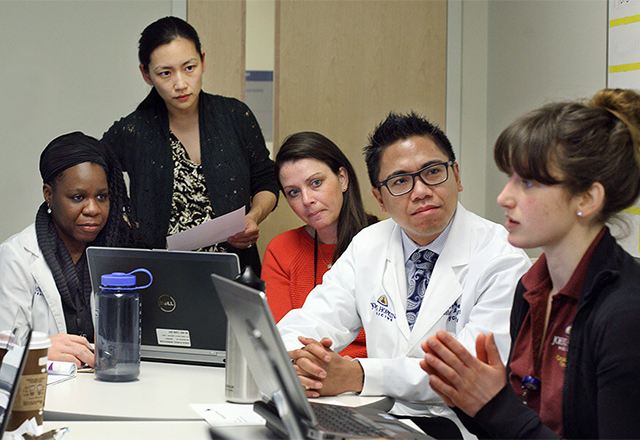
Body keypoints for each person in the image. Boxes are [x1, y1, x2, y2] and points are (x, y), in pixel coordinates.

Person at [276, 112, 531, 438]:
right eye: (400, 181)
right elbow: (313, 318)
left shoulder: (503, 259)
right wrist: (302, 360)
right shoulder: (368, 244)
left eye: (433, 172)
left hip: (464, 428)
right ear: (380, 199)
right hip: (380, 419)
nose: (421, 190)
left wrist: (359, 375)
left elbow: (465, 375)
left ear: (456, 175)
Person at [420, 88, 640, 439]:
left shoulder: (625, 314)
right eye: (510, 178)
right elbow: (521, 420)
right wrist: (468, 398)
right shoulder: (531, 286)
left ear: (587, 198)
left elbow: (516, 423)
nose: (504, 197)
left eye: (527, 182)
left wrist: (494, 406)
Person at [102, 16, 278, 274]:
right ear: (146, 74)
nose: (181, 84)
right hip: (162, 275)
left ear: (203, 61)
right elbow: (94, 175)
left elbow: (266, 180)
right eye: (165, 73)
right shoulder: (134, 130)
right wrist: (127, 224)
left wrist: (254, 216)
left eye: (189, 68)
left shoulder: (235, 116)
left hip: (234, 268)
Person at [0, 132, 139, 367]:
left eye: (102, 197)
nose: (93, 209)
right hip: (44, 391)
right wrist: (39, 350)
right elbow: (3, 350)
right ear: (49, 195)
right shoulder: (16, 257)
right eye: (78, 197)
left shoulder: (118, 250)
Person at [262, 132, 376, 359]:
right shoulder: (281, 249)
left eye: (316, 183)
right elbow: (281, 339)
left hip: (371, 381)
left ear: (342, 178)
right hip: (307, 375)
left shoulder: (382, 243)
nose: (307, 200)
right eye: (293, 192)